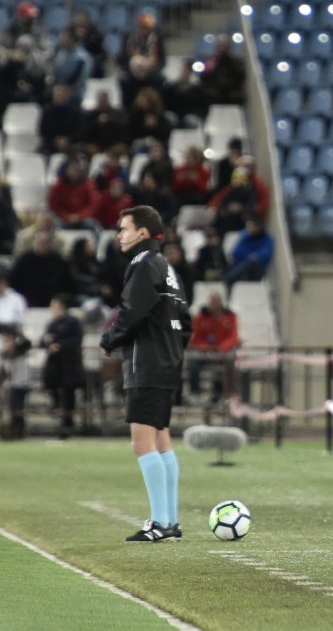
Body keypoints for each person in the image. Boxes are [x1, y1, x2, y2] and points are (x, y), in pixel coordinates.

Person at [100, 205, 189, 542]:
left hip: (147, 363)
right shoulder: (166, 266)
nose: (119, 235)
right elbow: (186, 320)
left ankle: (161, 523)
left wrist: (110, 340)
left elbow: (131, 312)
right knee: (162, 440)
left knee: (142, 443)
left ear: (141, 232)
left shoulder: (143, 264)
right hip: (167, 361)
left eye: (124, 228)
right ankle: (170, 521)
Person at [42, 294, 85, 439]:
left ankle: (67, 425)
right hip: (55, 365)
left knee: (69, 395)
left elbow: (77, 339)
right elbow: (43, 340)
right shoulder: (52, 323)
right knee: (51, 385)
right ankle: (56, 411)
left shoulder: (73, 322)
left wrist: (60, 345)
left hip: (69, 365)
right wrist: (47, 341)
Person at [188, 292, 239, 403]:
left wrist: (222, 349)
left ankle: (228, 394)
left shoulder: (230, 317)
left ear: (221, 303)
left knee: (231, 358)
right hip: (205, 351)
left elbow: (233, 336)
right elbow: (196, 339)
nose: (214, 304)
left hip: (222, 351)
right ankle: (195, 393)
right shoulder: (200, 317)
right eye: (212, 302)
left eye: (217, 302)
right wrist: (208, 348)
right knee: (194, 358)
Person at [10, 231, 74, 307]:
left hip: (54, 300)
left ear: (51, 244)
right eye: (39, 242)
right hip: (28, 299)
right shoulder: (24, 259)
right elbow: (14, 281)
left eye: (45, 243)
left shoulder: (58, 260)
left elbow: (67, 282)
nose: (41, 245)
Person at [48, 156, 98, 229]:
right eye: (72, 168)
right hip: (64, 219)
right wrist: (66, 216)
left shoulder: (88, 184)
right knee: (54, 225)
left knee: (93, 225)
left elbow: (93, 204)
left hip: (82, 219)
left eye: (77, 169)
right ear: (66, 170)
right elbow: (54, 205)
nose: (75, 171)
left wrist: (80, 216)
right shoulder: (58, 185)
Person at [0, 325, 32, 439]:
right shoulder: (4, 355)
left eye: (8, 341)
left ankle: (19, 431)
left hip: (21, 383)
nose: (6, 344)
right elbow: (3, 372)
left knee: (18, 408)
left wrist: (19, 334)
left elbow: (27, 343)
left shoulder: (20, 351)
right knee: (10, 409)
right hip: (10, 385)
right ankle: (10, 431)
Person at [224, 218, 274, 286]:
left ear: (258, 227)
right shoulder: (244, 236)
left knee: (253, 260)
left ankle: (228, 278)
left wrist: (249, 257)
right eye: (247, 227)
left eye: (250, 227)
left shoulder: (267, 239)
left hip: (255, 271)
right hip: (240, 267)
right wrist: (248, 257)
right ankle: (228, 279)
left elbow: (265, 256)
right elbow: (236, 252)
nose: (247, 229)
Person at [200, 34, 245, 105]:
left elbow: (240, 77)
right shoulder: (210, 61)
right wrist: (209, 69)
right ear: (216, 47)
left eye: (224, 45)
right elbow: (203, 79)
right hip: (215, 93)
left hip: (230, 93)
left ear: (229, 47)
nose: (222, 48)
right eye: (220, 45)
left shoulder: (235, 62)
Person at [51, 28, 92, 103]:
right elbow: (56, 72)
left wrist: (65, 87)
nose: (62, 40)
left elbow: (76, 76)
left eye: (64, 37)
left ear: (72, 39)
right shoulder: (60, 54)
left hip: (75, 94)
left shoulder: (81, 56)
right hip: (59, 93)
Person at [39, 84, 83, 153]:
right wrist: (55, 140)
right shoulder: (48, 111)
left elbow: (80, 130)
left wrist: (68, 140)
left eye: (63, 94)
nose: (61, 96)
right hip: (51, 145)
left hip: (71, 144)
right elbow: (43, 131)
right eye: (58, 94)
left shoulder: (75, 111)